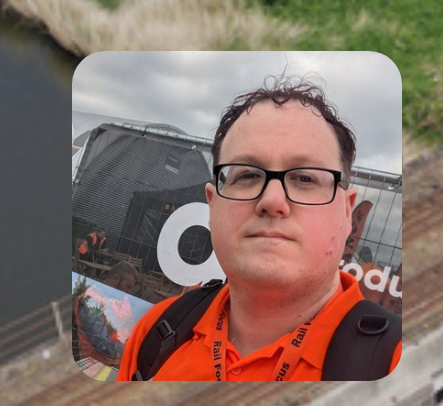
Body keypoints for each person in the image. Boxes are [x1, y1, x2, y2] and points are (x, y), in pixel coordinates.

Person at [116, 78, 400, 381]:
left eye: (305, 178)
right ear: (212, 205)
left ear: (346, 212)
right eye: (248, 175)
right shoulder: (155, 333)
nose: (272, 200)